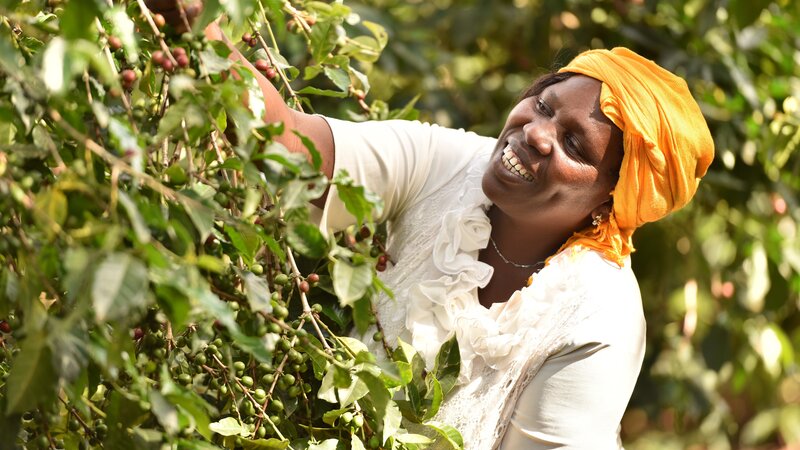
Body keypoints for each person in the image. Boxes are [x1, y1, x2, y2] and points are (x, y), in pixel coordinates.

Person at [149, 3, 715, 447]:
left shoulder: (599, 317)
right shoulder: (446, 162)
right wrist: (204, 31)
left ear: (610, 199)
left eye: (574, 143)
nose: (536, 134)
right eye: (544, 106)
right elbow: (298, 151)